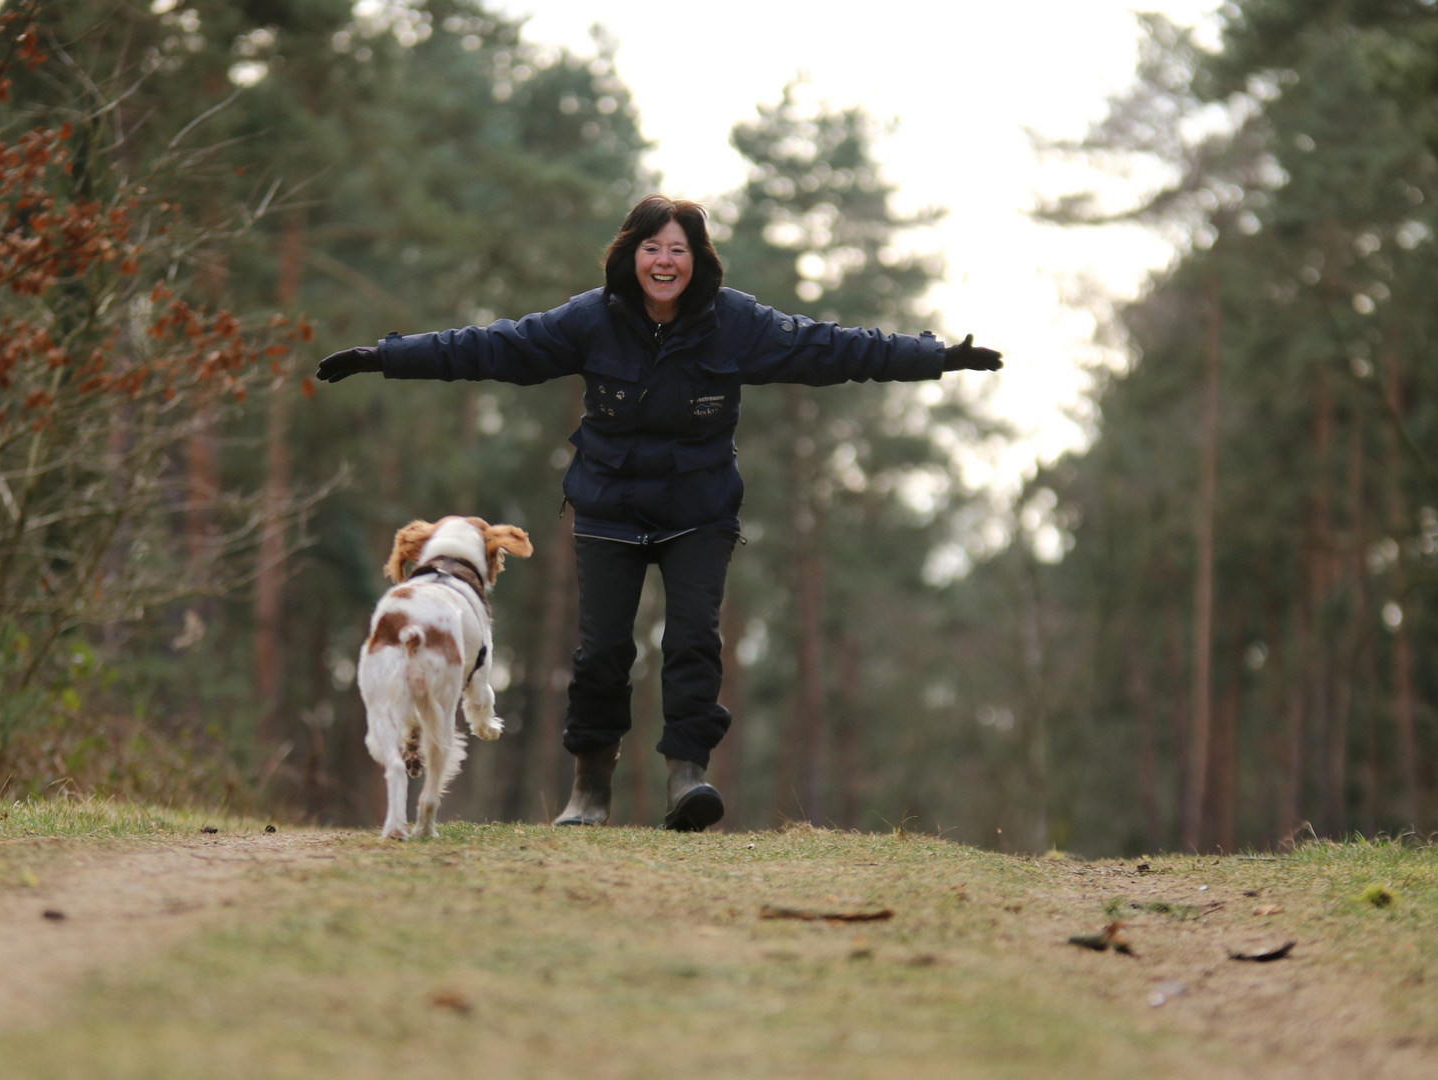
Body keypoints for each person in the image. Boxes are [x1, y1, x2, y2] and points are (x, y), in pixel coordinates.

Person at [317, 195, 1002, 832]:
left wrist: (935, 356)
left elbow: (835, 347)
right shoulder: (591, 318)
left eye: (679, 249)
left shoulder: (736, 324)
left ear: (698, 261)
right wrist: (386, 355)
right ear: (630, 255)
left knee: (693, 641)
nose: (664, 261)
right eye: (651, 247)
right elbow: (493, 346)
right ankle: (589, 789)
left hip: (698, 511)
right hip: (609, 509)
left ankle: (686, 778)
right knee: (602, 654)